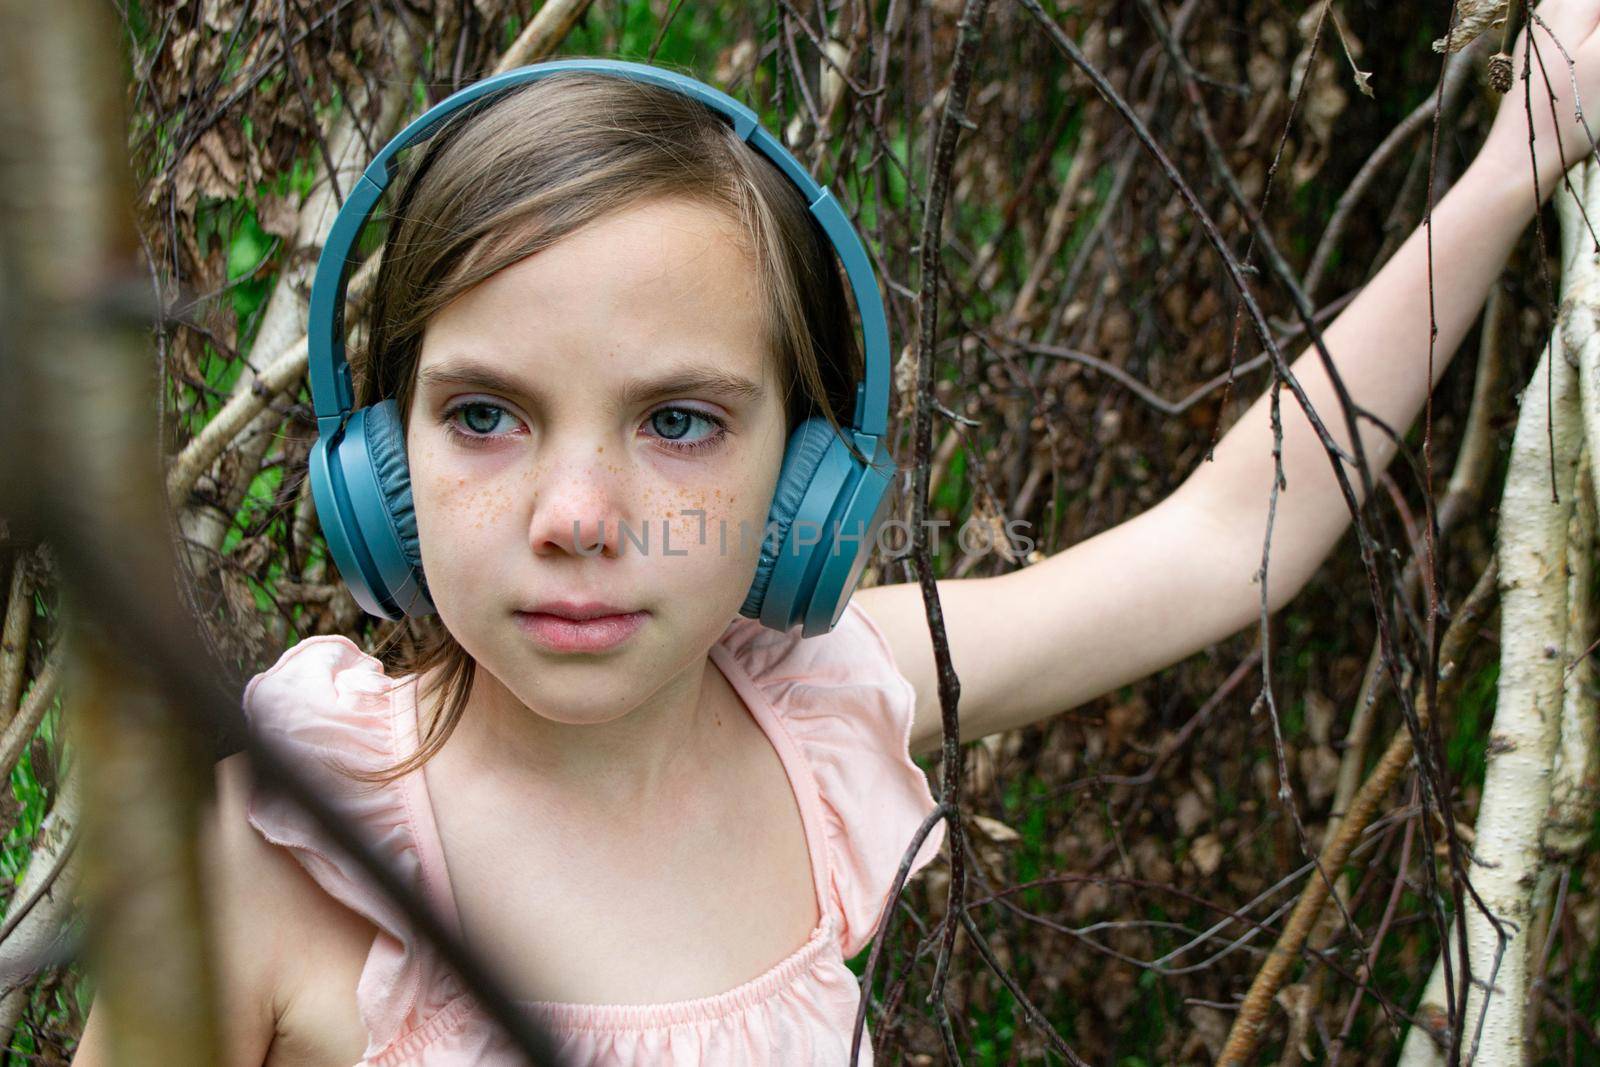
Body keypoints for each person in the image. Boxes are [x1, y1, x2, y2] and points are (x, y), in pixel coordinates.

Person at [71, 2, 1600, 1063]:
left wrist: (1520, 156)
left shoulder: (815, 710)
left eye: (681, 421)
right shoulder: (272, 862)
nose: (580, 518)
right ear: (376, 466)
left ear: (805, 492)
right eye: (484, 416)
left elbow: (1231, 537)